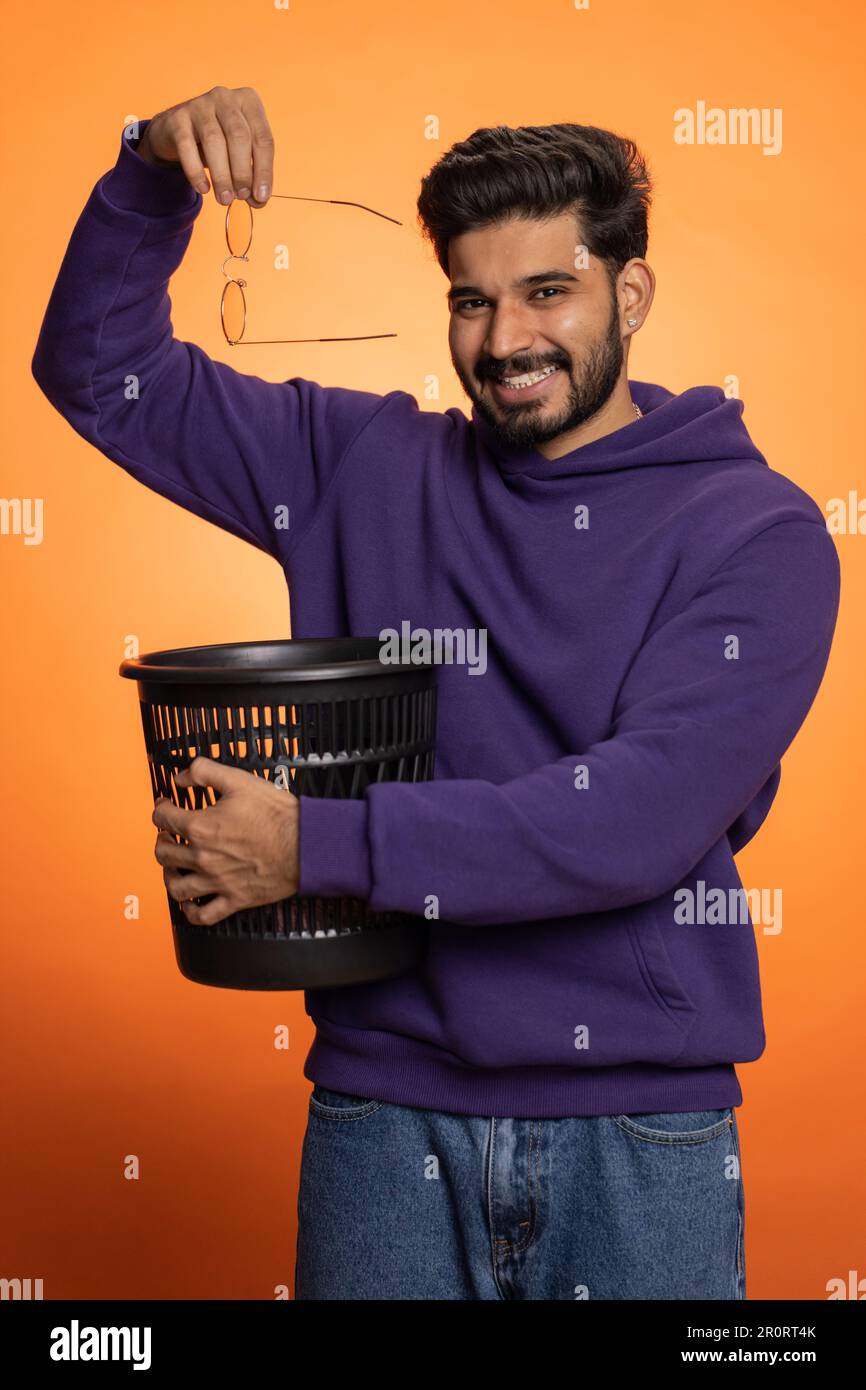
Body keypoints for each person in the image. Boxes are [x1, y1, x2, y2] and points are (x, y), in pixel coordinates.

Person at [31, 86, 840, 1301]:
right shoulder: (362, 466)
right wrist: (151, 170)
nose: (506, 338)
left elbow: (627, 818)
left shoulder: (757, 534)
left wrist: (310, 843)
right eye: (472, 298)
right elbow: (102, 374)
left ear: (629, 296)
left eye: (547, 292)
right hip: (381, 1114)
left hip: (638, 1134)